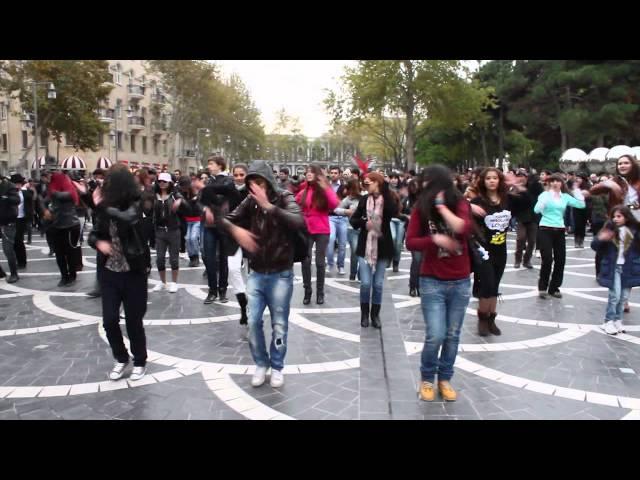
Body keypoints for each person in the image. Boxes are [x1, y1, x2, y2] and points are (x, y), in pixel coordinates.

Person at [218, 160, 305, 388]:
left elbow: (298, 221)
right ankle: (261, 363)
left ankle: (277, 367)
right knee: (254, 321)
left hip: (280, 274)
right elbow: (225, 221)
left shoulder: (285, 197)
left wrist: (270, 207)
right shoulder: (249, 202)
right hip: (256, 272)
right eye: (251, 183)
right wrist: (237, 231)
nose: (254, 188)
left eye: (259, 182)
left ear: (268, 182)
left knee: (279, 324)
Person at [406, 164, 473, 402]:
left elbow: (463, 228)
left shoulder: (461, 204)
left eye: (426, 181)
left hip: (460, 280)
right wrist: (435, 239)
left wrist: (442, 207)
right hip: (432, 280)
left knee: (452, 334)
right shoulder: (419, 209)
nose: (422, 185)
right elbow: (411, 242)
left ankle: (445, 378)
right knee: (435, 334)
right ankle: (426, 378)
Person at [88, 164, 150, 381]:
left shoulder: (137, 201)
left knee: (134, 321)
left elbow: (128, 218)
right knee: (109, 320)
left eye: (110, 182)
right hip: (110, 271)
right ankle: (121, 358)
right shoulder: (105, 208)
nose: (106, 186)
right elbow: (93, 235)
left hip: (134, 271)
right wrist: (99, 244)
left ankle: (140, 361)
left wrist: (100, 205)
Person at [470, 168, 525, 336]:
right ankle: (482, 319)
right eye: (488, 178)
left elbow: (529, 203)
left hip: (501, 250)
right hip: (483, 250)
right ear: (483, 181)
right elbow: (457, 204)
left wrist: (517, 186)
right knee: (486, 285)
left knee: (494, 286)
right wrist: (469, 205)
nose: (492, 181)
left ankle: (492, 319)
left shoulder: (507, 200)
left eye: (495, 178)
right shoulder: (479, 201)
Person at [350, 172, 397, 329]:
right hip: (365, 246)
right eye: (365, 183)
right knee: (365, 283)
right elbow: (353, 220)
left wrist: (385, 190)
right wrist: (364, 224)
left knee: (378, 284)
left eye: (368, 183)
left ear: (377, 183)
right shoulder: (364, 200)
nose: (366, 186)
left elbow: (394, 211)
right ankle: (364, 314)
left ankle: (375, 315)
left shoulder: (388, 200)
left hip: (383, 247)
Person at [534, 173, 586, 299]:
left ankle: (554, 287)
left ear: (562, 183)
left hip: (560, 230)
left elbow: (581, 205)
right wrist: (544, 202)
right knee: (547, 259)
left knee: (560, 260)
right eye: (552, 181)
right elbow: (536, 210)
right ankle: (542, 287)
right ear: (549, 183)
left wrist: (577, 191)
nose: (555, 183)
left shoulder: (565, 197)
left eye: (558, 181)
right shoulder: (544, 195)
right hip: (545, 228)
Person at [591, 206, 640, 335]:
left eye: (619, 216)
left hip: (628, 267)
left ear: (626, 217)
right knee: (615, 296)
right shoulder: (609, 230)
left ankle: (618, 320)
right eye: (614, 216)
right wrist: (601, 238)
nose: (615, 219)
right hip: (613, 267)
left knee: (623, 297)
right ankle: (608, 321)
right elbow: (595, 246)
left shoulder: (634, 230)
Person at [296, 164, 339, 305]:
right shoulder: (304, 190)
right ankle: (307, 291)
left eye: (311, 172)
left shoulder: (324, 190)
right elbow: (293, 203)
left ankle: (320, 293)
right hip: (306, 230)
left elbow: (334, 204)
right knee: (305, 261)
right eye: (306, 172)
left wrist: (326, 187)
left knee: (320, 263)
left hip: (321, 230)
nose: (308, 174)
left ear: (317, 175)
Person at [200, 156, 235, 304]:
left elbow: (224, 194)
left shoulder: (227, 180)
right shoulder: (209, 181)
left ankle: (222, 290)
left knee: (223, 259)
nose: (209, 166)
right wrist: (205, 208)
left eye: (211, 163)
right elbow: (201, 201)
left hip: (223, 222)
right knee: (209, 258)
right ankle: (212, 290)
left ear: (220, 165)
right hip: (209, 225)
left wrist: (207, 189)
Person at [42, 167, 82, 286]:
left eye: (52, 178)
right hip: (57, 225)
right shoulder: (52, 189)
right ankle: (64, 276)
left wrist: (51, 190)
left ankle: (72, 274)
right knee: (59, 254)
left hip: (70, 225)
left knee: (70, 253)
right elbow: (45, 201)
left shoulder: (68, 190)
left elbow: (62, 196)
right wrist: (45, 209)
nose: (50, 180)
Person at [150, 172, 183, 293]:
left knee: (174, 258)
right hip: (159, 230)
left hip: (173, 230)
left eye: (164, 181)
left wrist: (179, 201)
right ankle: (163, 282)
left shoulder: (174, 195)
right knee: (159, 258)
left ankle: (174, 282)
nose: (162, 184)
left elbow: (182, 199)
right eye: (159, 181)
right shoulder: (154, 195)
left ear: (170, 183)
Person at [513, 169, 543, 269]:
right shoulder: (514, 189)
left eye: (523, 176)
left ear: (527, 177)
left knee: (532, 241)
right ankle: (517, 259)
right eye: (518, 176)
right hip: (521, 218)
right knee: (520, 239)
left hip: (533, 217)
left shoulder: (534, 187)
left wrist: (525, 190)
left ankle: (527, 260)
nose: (521, 178)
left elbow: (536, 198)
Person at [334, 179, 362, 281]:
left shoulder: (365, 197)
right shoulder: (348, 199)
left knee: (362, 253)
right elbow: (336, 209)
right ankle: (353, 273)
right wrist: (346, 211)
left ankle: (361, 273)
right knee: (355, 251)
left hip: (365, 228)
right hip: (352, 228)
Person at [176, 176, 202, 267]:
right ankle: (192, 257)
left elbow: (198, 206)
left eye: (186, 186)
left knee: (193, 238)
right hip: (187, 220)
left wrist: (190, 201)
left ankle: (196, 257)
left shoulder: (196, 192)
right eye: (183, 187)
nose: (184, 188)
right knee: (187, 238)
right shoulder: (180, 194)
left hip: (197, 219)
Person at [326, 165, 348, 275]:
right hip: (330, 217)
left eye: (336, 173)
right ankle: (330, 264)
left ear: (339, 174)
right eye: (332, 173)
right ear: (329, 174)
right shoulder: (326, 187)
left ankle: (341, 265)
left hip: (343, 218)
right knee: (330, 239)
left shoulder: (344, 187)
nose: (333, 175)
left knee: (342, 244)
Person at [0, 175, 21, 283]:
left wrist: (5, 197)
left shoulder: (9, 186)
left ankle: (14, 274)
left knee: (7, 249)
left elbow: (17, 200)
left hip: (7, 222)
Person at [10, 173, 33, 271]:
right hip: (11, 219)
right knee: (14, 241)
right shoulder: (9, 193)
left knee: (19, 240)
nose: (18, 185)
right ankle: (17, 259)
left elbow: (32, 202)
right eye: (16, 184)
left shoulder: (25, 193)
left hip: (21, 219)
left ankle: (22, 261)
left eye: (19, 183)